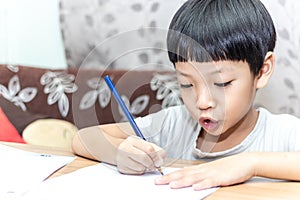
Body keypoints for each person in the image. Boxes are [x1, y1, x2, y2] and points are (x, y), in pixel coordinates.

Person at [72, 0, 300, 190]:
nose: (202, 102)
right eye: (187, 84)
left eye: (221, 83)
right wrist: (119, 153)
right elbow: (82, 138)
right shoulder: (175, 123)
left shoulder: (283, 133)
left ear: (262, 70)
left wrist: (251, 163)